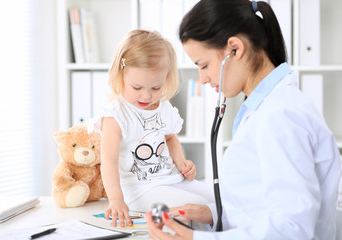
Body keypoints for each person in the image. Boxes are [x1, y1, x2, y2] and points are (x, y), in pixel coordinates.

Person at [146, 0, 341, 239]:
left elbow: (293, 230)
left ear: (235, 49)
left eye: (204, 65)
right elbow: (262, 206)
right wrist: (214, 214)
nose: (203, 78)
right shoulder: (265, 108)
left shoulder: (281, 116)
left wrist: (197, 238)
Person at [88, 29, 214, 228]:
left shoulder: (163, 107)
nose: (146, 96)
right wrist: (116, 200)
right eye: (137, 87)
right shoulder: (115, 114)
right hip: (139, 190)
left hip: (170, 178)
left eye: (156, 88)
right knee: (197, 209)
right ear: (120, 75)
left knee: (218, 201)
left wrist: (181, 163)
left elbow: (170, 138)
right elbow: (109, 162)